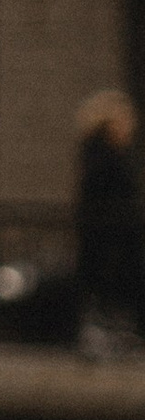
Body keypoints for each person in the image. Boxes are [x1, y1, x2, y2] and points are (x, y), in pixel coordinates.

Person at [73, 89, 142, 350]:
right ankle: (106, 333)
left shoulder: (97, 155)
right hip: (110, 239)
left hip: (109, 237)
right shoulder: (105, 157)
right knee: (109, 290)